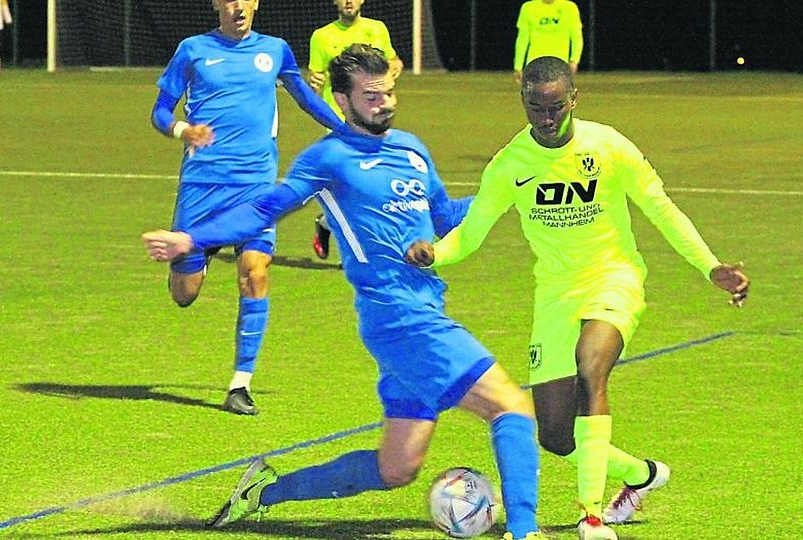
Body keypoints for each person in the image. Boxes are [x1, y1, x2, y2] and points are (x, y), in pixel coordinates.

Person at [143, 44, 546, 540]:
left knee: (395, 469)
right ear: (342, 98)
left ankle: (265, 490)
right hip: (401, 319)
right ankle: (525, 532)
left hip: (420, 310)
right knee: (511, 405)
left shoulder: (412, 149)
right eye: (371, 95)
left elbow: (443, 217)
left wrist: (507, 193)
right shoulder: (329, 157)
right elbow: (266, 207)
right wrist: (193, 238)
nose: (384, 103)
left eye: (389, 93)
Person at [406, 56, 750, 540]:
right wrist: (434, 254)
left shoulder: (608, 147)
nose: (546, 120)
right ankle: (640, 475)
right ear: (522, 99)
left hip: (614, 278)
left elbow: (661, 208)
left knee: (592, 366)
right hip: (555, 294)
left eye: (555, 108)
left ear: (574, 99)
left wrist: (710, 265)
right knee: (554, 434)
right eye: (535, 108)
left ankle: (592, 515)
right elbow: (471, 233)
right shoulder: (511, 164)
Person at [149, 0, 344, 416]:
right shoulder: (192, 49)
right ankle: (199, 252)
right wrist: (184, 129)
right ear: (217, 4)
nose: (238, 7)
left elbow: (306, 100)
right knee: (184, 294)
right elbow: (160, 110)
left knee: (255, 274)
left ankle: (240, 384)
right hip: (203, 186)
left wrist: (350, 131)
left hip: (255, 185)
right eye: (230, 0)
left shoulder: (275, 50)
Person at [307, 0, 405, 260]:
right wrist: (313, 83)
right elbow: (314, 81)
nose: (348, 1)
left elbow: (394, 62)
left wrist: (394, 69)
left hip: (373, 116)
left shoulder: (377, 29)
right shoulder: (322, 36)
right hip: (339, 120)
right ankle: (356, 250)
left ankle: (327, 224)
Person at [513, 0, 583, 84]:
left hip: (559, 64)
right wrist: (518, 66)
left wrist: (574, 60)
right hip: (535, 63)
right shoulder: (528, 8)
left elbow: (576, 37)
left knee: (557, 95)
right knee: (536, 95)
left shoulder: (570, 7)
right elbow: (522, 39)